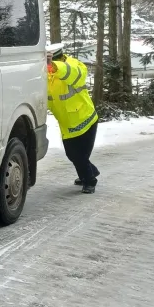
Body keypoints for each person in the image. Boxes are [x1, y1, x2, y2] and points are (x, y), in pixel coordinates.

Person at [45, 42, 99, 194]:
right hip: (67, 124)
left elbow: (75, 75)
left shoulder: (74, 64)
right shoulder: (46, 75)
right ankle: (90, 172)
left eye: (50, 62)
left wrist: (55, 66)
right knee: (73, 154)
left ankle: (90, 180)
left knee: (79, 155)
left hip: (85, 120)